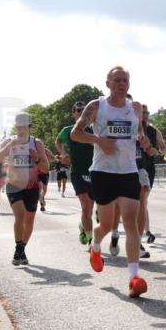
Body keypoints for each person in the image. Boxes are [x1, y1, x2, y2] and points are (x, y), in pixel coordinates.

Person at [72, 66, 151, 298]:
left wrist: (143, 139)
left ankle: (134, 277)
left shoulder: (135, 107)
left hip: (128, 172)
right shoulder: (97, 107)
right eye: (117, 80)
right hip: (103, 172)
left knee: (131, 223)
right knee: (106, 225)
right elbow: (76, 133)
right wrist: (99, 141)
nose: (121, 83)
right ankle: (96, 245)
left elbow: (138, 132)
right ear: (108, 83)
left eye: (125, 80)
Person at [0, 113, 49, 265]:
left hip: (31, 186)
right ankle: (19, 248)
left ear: (29, 127)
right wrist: (9, 146)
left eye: (24, 126)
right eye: (18, 126)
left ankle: (20, 250)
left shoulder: (36, 143)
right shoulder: (8, 141)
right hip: (14, 185)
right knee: (20, 216)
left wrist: (36, 158)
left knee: (29, 221)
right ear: (15, 126)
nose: (21, 129)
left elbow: (46, 167)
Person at [56, 102, 95, 245]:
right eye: (78, 110)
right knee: (85, 206)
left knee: (90, 209)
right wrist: (64, 153)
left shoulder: (93, 129)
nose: (81, 112)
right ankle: (91, 240)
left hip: (93, 172)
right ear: (73, 114)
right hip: (77, 171)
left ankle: (83, 226)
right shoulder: (68, 130)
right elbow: (58, 141)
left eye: (84, 110)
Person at [138, 105, 166, 245]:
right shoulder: (132, 128)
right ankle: (146, 231)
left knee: (143, 201)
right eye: (141, 112)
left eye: (146, 112)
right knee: (141, 202)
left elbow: (163, 149)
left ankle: (145, 231)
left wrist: (156, 152)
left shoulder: (154, 131)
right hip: (133, 167)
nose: (144, 115)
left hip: (148, 169)